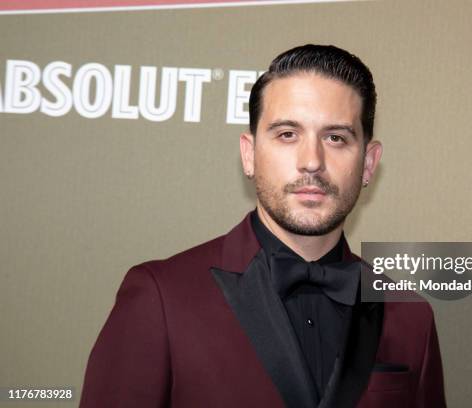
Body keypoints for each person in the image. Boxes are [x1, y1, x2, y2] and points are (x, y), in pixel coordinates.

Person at [80, 44, 446, 408]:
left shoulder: (411, 316)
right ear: (249, 154)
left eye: (336, 138)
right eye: (287, 134)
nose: (311, 162)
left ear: (368, 163)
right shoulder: (161, 298)